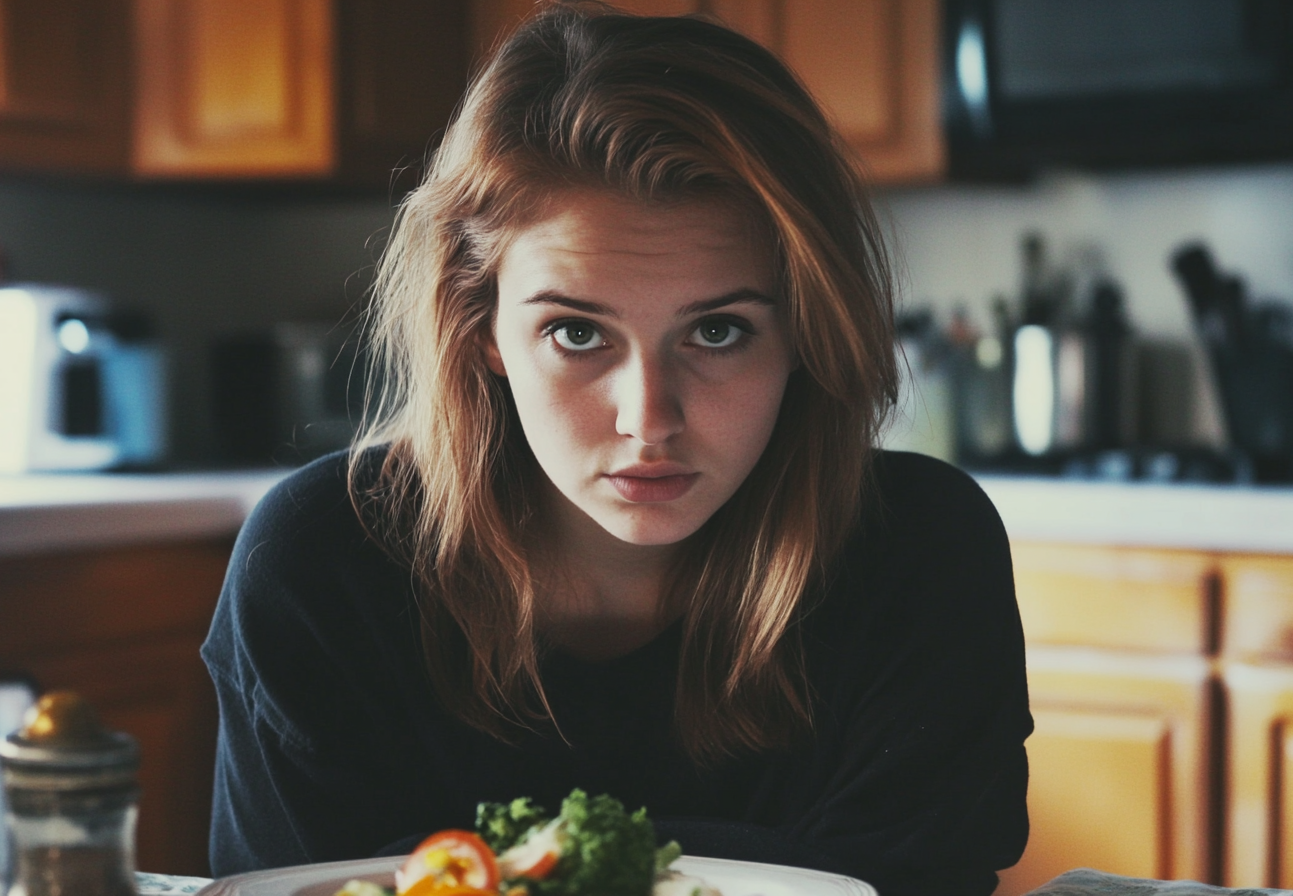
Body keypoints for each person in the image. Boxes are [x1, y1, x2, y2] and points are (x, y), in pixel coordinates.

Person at [200, 5, 1032, 895]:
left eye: (718, 330)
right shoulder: (324, 562)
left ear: (804, 329)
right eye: (575, 333)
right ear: (480, 327)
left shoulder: (918, 549)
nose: (649, 417)